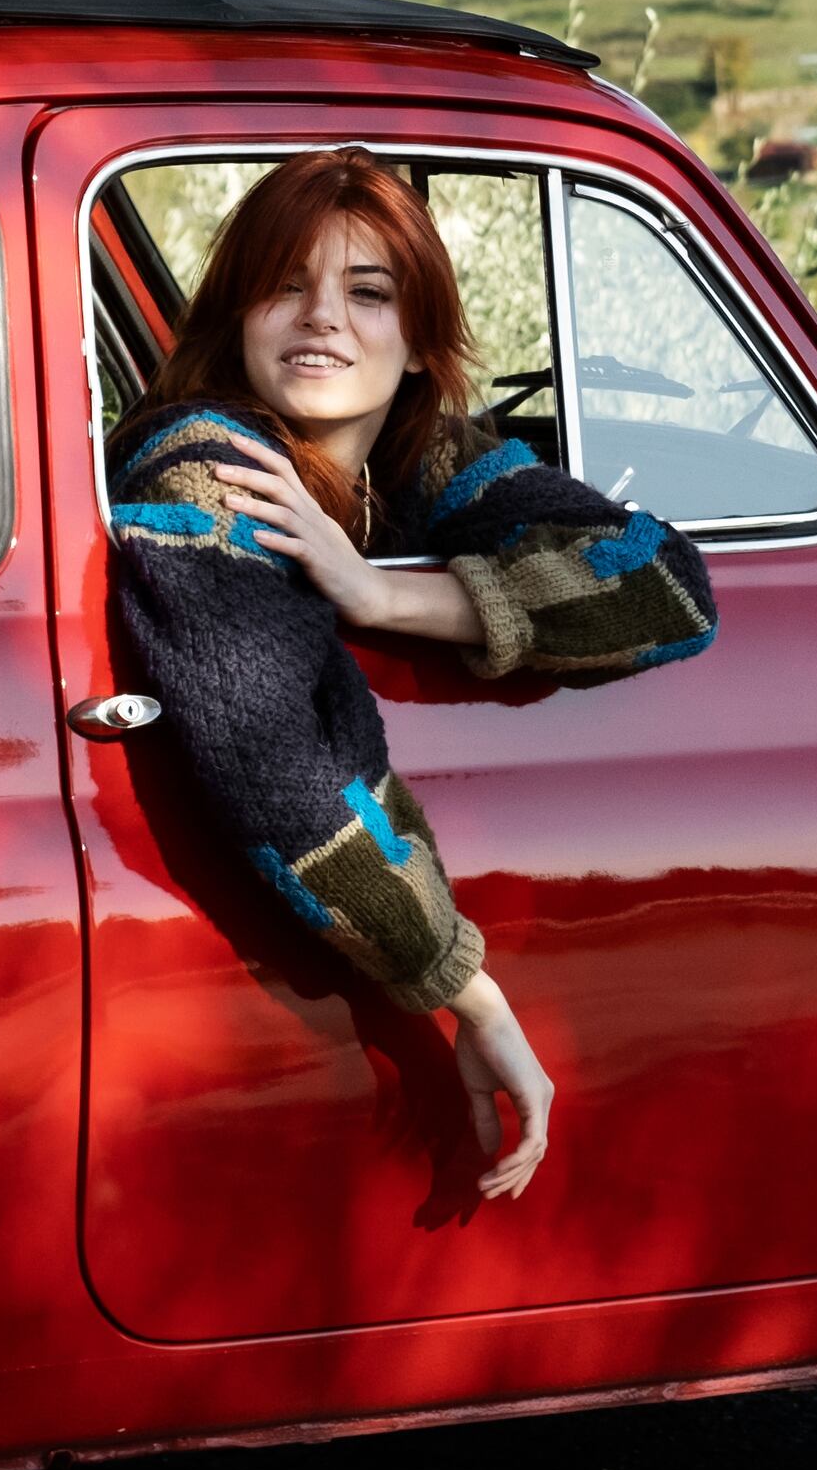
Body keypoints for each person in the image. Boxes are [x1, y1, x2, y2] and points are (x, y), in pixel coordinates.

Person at [106, 148, 717, 1202]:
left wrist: (386, 594)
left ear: (418, 337)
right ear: (236, 313)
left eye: (367, 291)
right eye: (284, 283)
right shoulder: (208, 468)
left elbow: (665, 589)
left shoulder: (415, 460)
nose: (321, 318)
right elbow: (278, 765)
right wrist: (468, 992)